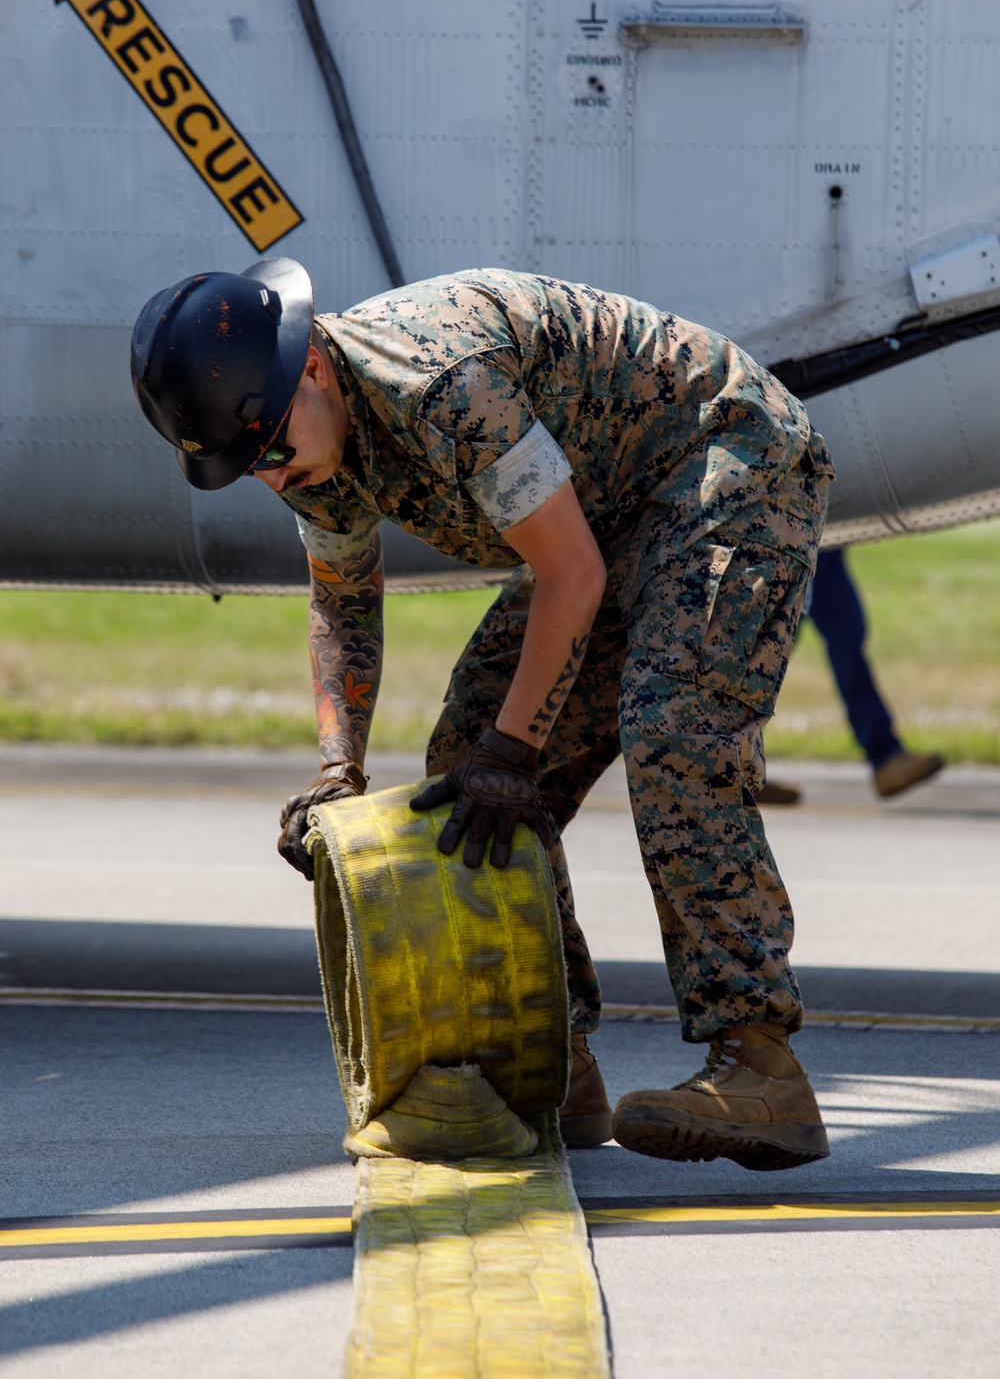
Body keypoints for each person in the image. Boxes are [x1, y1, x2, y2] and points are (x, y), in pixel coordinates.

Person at [131, 257, 835, 1171]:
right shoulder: (309, 442)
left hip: (722, 464)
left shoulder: (436, 381)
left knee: (674, 735)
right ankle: (554, 1060)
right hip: (609, 513)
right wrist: (338, 773)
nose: (272, 474)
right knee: (467, 763)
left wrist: (519, 748)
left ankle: (761, 1062)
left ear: (310, 368)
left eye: (268, 446)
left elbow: (571, 574)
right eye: (247, 465)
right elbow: (343, 601)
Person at [757, 548, 944, 805]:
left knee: (775, 643)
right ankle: (883, 754)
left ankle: (739, 762)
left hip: (808, 532)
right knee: (834, 633)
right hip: (807, 532)